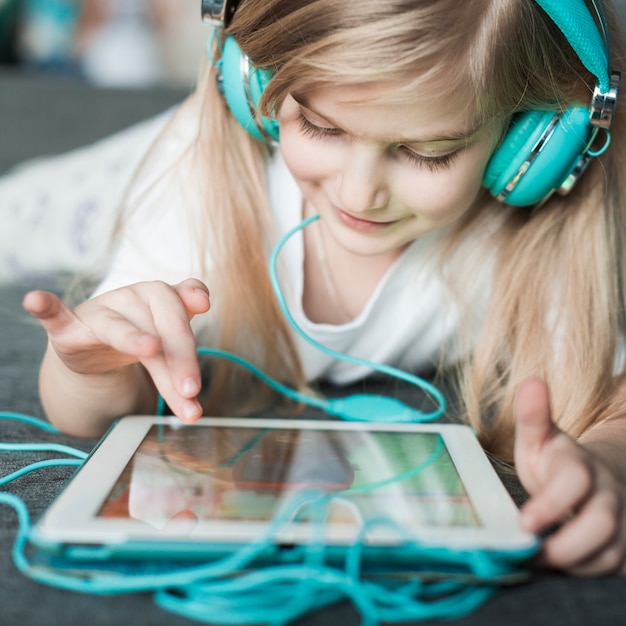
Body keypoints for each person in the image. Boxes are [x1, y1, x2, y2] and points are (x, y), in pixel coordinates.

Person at [18, 0, 626, 578]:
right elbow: (82, 407)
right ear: (253, 83)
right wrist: (89, 367)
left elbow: (615, 400)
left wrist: (606, 466)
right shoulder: (198, 187)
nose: (359, 194)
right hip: (127, 181)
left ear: (536, 147)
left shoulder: (524, 239)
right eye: (320, 125)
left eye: (426, 151)